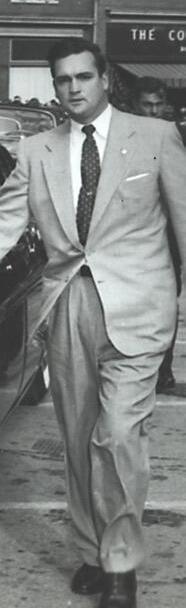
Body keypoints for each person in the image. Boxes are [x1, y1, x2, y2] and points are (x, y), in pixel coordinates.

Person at [0, 38, 186, 608]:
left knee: (117, 436)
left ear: (106, 79)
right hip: (68, 309)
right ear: (54, 87)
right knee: (81, 438)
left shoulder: (155, 138)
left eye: (85, 76)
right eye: (64, 80)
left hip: (139, 312)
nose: (75, 88)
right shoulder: (36, 152)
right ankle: (92, 549)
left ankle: (120, 565)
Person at [132, 76, 181, 393]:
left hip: (169, 240)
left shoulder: (175, 136)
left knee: (166, 305)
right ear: (135, 105)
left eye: (158, 104)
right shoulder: (124, 136)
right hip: (132, 238)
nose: (153, 110)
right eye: (147, 104)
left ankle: (162, 371)